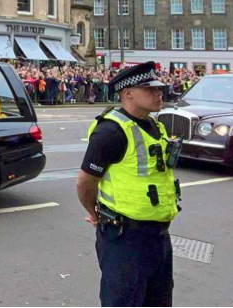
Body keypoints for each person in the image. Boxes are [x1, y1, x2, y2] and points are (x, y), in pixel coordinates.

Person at [76, 61, 180, 307]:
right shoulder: (111, 132)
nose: (159, 93)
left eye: (159, 88)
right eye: (150, 89)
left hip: (158, 236)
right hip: (125, 237)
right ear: (128, 93)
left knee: (159, 300)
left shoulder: (155, 125)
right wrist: (94, 213)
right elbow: (85, 182)